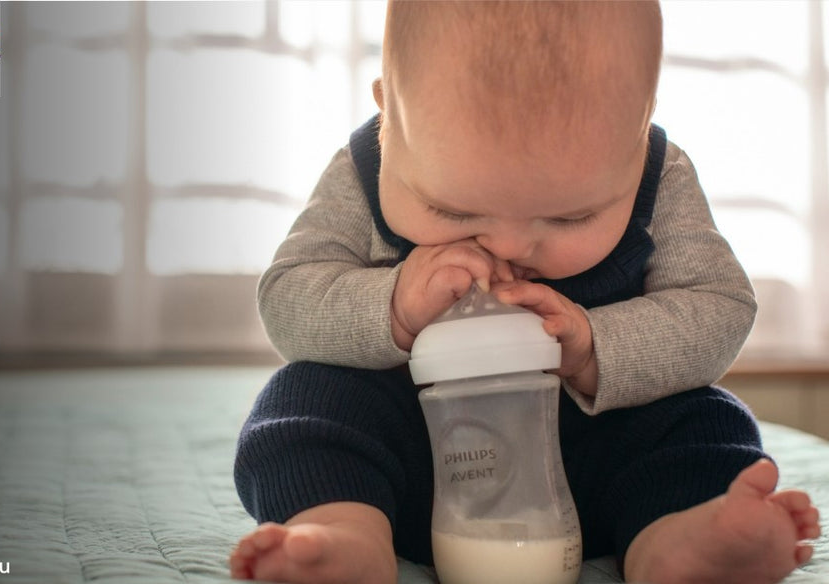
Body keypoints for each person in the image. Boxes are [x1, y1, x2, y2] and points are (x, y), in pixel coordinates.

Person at [229, 2, 821, 584]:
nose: (509, 246)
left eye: (570, 218)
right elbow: (288, 296)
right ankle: (344, 535)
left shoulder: (660, 176)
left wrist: (595, 349)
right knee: (305, 400)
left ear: (636, 138)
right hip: (412, 461)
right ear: (389, 117)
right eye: (451, 209)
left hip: (602, 460)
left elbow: (719, 306)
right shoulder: (364, 172)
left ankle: (678, 543)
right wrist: (394, 306)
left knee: (703, 422)